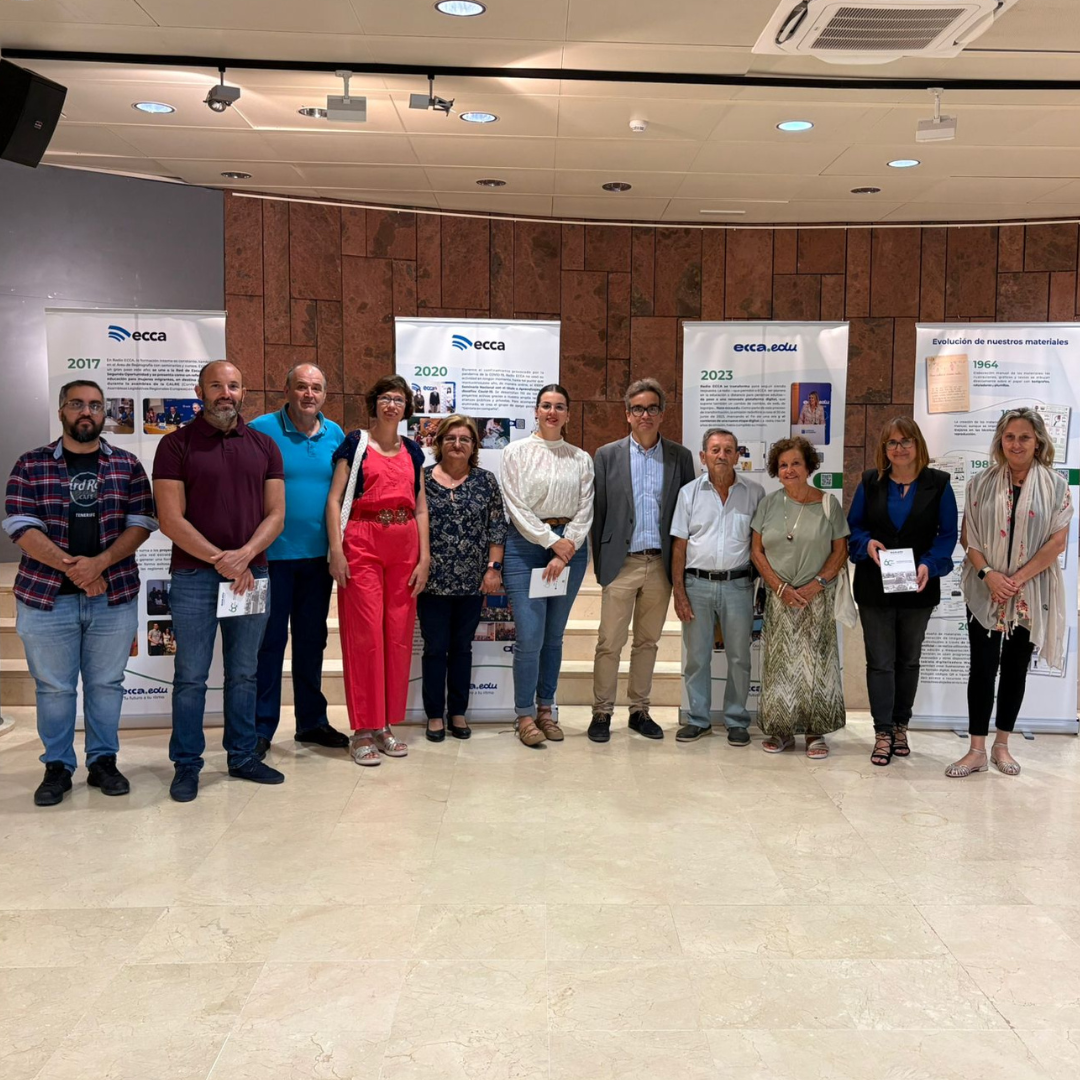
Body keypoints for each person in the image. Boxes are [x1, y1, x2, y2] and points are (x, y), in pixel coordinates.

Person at [4, 379, 156, 806]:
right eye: (77, 404)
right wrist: (78, 570)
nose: (86, 411)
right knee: (54, 688)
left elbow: (141, 523)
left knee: (107, 684)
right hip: (46, 598)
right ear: (61, 411)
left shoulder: (127, 465)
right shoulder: (30, 464)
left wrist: (99, 564)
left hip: (112, 597)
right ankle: (57, 766)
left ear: (105, 413)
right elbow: (20, 526)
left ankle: (103, 762)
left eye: (95, 405)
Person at [153, 360, 286, 802]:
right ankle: (187, 764)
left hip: (252, 574)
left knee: (244, 673)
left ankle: (243, 756)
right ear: (200, 392)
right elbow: (170, 519)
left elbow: (276, 514)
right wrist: (223, 560)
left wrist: (244, 556)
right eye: (215, 385)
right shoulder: (175, 445)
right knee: (190, 675)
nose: (225, 393)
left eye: (233, 385)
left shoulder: (264, 445)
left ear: (243, 392)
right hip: (194, 577)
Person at [948, 408, 1072, 778]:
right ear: (1000, 441)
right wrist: (989, 575)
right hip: (985, 590)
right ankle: (975, 750)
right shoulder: (980, 483)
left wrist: (1014, 580)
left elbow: (1057, 543)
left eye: (1024, 437)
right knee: (982, 669)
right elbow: (968, 537)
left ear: (1038, 442)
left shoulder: (1056, 487)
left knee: (1015, 670)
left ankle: (1001, 745)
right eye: (1009, 437)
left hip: (1030, 592)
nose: (1016, 444)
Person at [326, 374, 430, 766]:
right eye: (385, 398)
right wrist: (337, 550)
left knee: (398, 635)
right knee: (365, 634)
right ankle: (362, 729)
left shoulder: (413, 451)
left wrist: (424, 558)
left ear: (406, 409)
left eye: (398, 400)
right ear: (375, 404)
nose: (391, 405)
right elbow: (334, 500)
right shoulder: (356, 444)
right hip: (363, 541)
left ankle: (385, 724)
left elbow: (421, 507)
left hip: (404, 543)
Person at [248, 363, 348, 758]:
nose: (309, 394)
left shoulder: (335, 434)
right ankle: (261, 728)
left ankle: (311, 722)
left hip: (317, 561)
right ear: (287, 390)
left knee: (311, 641)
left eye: (317, 388)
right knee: (269, 644)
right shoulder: (261, 429)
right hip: (270, 558)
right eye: (302, 387)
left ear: (324, 394)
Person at [588, 378, 695, 742]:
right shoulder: (607, 455)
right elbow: (599, 513)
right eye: (638, 409)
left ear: (662, 414)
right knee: (609, 642)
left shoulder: (680, 457)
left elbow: (686, 515)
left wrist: (678, 570)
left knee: (647, 642)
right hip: (622, 563)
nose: (645, 414)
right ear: (627, 414)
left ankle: (639, 711)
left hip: (660, 565)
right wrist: (603, 566)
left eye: (652, 408)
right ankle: (602, 712)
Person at [848, 418, 957, 766]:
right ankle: (882, 731)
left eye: (906, 441)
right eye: (892, 442)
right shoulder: (870, 481)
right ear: (885, 448)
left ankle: (900, 727)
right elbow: (854, 527)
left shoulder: (939, 484)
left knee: (908, 660)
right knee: (880, 662)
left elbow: (947, 535)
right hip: (874, 586)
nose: (899, 448)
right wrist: (866, 544)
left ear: (917, 444)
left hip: (919, 585)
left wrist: (930, 564)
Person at [500, 384, 594, 746]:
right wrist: (551, 542)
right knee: (530, 636)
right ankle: (524, 715)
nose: (552, 412)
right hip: (526, 547)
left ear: (568, 414)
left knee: (553, 636)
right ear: (536, 411)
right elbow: (515, 505)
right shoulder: (515, 452)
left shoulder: (580, 458)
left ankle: (545, 709)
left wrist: (565, 547)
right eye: (546, 406)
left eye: (559, 406)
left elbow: (585, 507)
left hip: (571, 548)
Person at [750, 437, 849, 758]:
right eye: (783, 465)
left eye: (795, 463)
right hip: (779, 598)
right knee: (779, 665)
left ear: (808, 467)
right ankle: (781, 730)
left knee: (815, 664)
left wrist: (815, 585)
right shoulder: (768, 504)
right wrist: (779, 587)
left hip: (817, 597)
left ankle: (815, 732)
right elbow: (756, 551)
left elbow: (840, 551)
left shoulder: (828, 504)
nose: (789, 470)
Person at [670, 428, 764, 745]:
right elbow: (679, 546)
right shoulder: (688, 494)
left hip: (739, 585)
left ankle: (736, 719)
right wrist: (679, 592)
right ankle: (698, 719)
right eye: (715, 450)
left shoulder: (755, 494)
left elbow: (760, 545)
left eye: (728, 450)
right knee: (697, 658)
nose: (721, 455)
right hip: (697, 585)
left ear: (737, 456)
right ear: (703, 456)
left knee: (739, 657)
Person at [419, 415, 507, 742]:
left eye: (465, 439)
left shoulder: (486, 481)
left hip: (473, 581)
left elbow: (497, 528)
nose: (458, 444)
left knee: (461, 648)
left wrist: (493, 569)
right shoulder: (421, 479)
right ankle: (434, 714)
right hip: (431, 581)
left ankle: (457, 711)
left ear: (474, 446)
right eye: (451, 438)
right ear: (439, 442)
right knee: (434, 648)